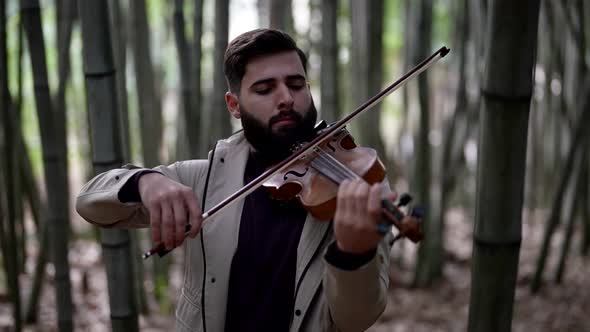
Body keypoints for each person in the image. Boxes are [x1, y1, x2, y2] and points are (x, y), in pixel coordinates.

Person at [76, 28, 398, 332]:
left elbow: (356, 320)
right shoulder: (202, 180)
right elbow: (90, 203)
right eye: (264, 88)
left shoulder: (356, 188)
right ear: (234, 105)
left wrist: (354, 254)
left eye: (296, 84)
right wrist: (145, 181)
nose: (286, 97)